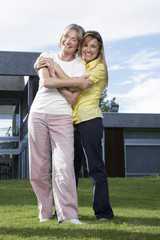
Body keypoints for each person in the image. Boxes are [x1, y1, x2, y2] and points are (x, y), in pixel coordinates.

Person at [35, 30, 114, 221]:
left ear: (99, 49)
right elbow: (69, 82)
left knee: (95, 167)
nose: (88, 49)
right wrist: (45, 66)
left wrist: (53, 68)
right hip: (72, 120)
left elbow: (74, 86)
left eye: (93, 46)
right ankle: (64, 209)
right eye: (85, 45)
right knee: (69, 168)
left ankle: (103, 212)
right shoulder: (79, 66)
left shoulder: (98, 68)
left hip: (89, 120)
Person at [28, 24, 93, 224]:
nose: (68, 41)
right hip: (38, 113)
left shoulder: (81, 66)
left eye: (74, 39)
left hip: (62, 117)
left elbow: (73, 99)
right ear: (61, 38)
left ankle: (69, 215)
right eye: (67, 36)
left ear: (78, 44)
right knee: (38, 167)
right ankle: (45, 213)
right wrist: (74, 82)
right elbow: (46, 82)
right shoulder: (46, 56)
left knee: (64, 165)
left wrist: (59, 75)